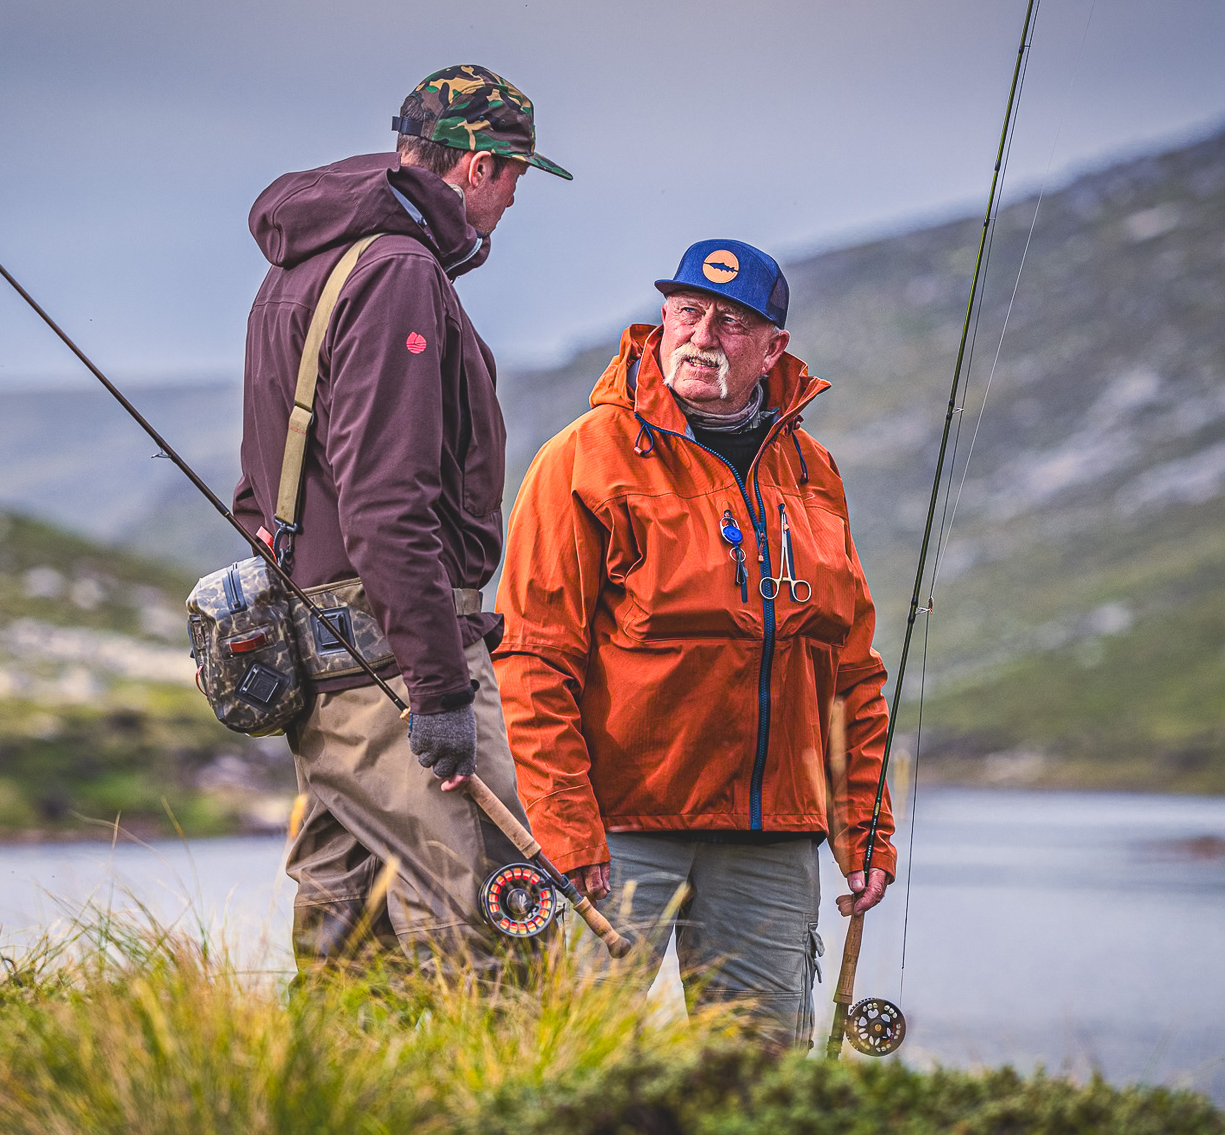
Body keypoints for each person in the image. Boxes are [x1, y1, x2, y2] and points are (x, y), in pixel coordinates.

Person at [494, 239, 896, 1047]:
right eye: (688, 312)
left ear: (773, 348)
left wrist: (865, 826)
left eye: (733, 322)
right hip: (619, 833)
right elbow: (535, 657)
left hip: (773, 836)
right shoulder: (583, 458)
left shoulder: (813, 472)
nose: (702, 336)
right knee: (573, 1062)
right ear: (662, 321)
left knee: (756, 1082)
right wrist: (567, 830)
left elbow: (851, 669)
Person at [233, 65, 571, 963]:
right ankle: (494, 1107)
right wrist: (440, 686)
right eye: (516, 178)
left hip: (327, 668)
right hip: (395, 662)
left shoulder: (302, 268)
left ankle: (331, 1104)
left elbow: (254, 494)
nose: (511, 201)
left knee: (349, 929)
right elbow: (388, 500)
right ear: (478, 167)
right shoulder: (400, 273)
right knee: (493, 921)